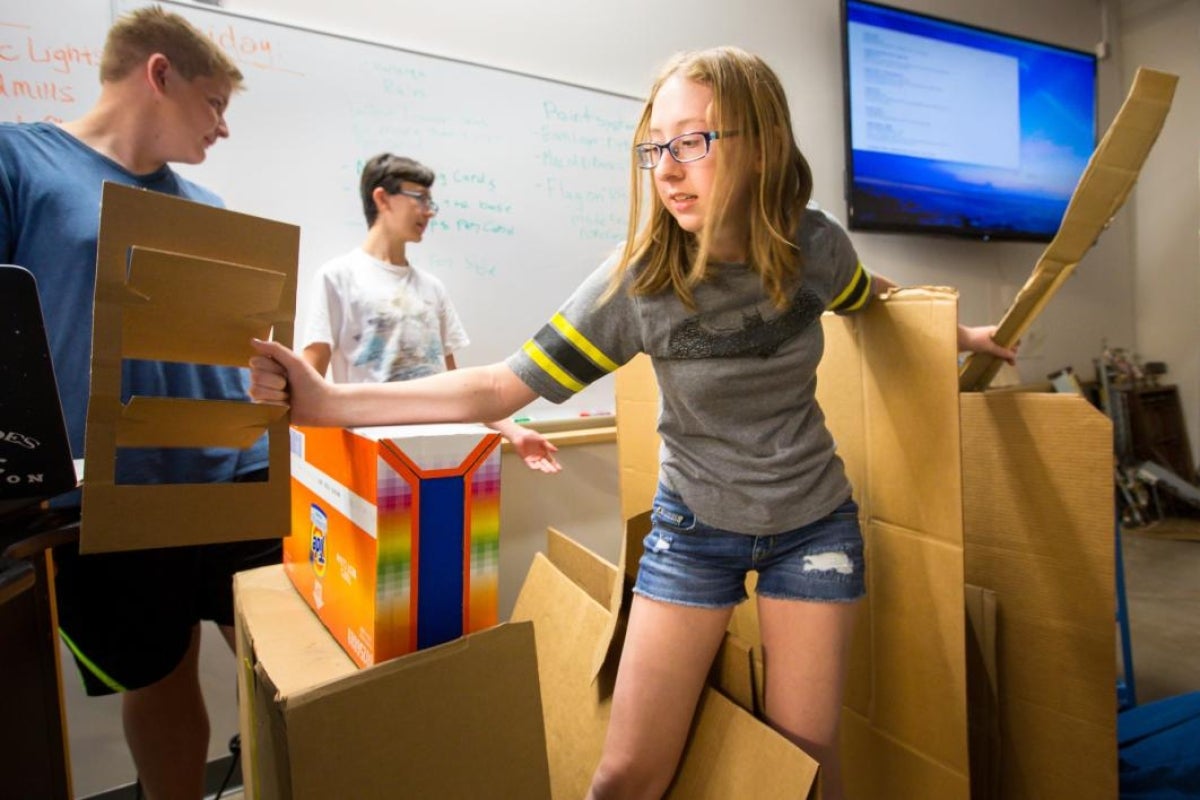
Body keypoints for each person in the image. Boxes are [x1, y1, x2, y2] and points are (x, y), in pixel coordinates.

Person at [247, 46, 1017, 800]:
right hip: (694, 533)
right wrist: (326, 402)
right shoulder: (639, 280)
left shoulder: (810, 245)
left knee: (805, 768)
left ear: (764, 144)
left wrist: (960, 332)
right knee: (625, 777)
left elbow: (868, 294)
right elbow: (495, 387)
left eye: (693, 141)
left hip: (814, 526)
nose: (668, 170)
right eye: (655, 147)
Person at [0, 8, 281, 799]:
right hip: (107, 488)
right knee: (157, 674)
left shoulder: (208, 204)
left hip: (237, 470)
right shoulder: (20, 160)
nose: (223, 126)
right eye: (214, 102)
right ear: (159, 75)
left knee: (284, 661)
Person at [300, 152, 560, 473]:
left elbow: (458, 388)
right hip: (372, 456)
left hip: (444, 452)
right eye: (419, 198)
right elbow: (310, 380)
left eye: (430, 201)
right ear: (382, 198)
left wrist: (514, 431)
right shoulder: (338, 277)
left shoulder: (432, 289)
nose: (428, 211)